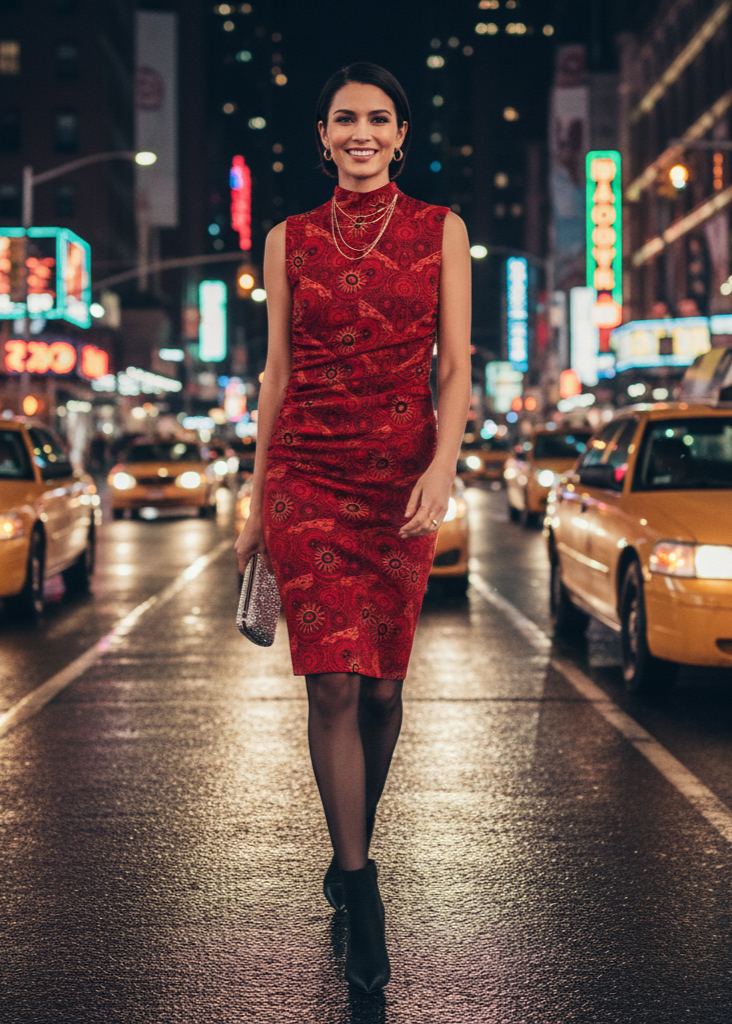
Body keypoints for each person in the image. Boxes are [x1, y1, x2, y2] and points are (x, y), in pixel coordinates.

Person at [235, 62, 471, 993]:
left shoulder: (441, 230)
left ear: (400, 135)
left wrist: (444, 462)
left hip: (400, 480)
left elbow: (453, 366)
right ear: (323, 135)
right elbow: (275, 374)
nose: (362, 132)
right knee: (331, 683)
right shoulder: (288, 239)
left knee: (381, 694)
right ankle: (362, 886)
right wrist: (258, 503)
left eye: (379, 118)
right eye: (346, 119)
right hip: (310, 476)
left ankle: (346, 853)